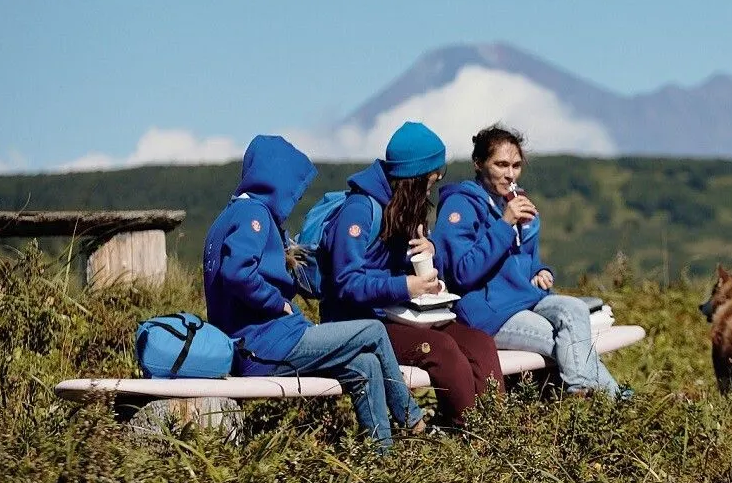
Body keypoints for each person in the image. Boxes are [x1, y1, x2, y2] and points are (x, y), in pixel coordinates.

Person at [203, 134, 424, 450]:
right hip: (265, 346)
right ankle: (412, 419)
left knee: (365, 366)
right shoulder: (253, 214)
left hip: (264, 342)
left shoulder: (230, 214)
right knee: (373, 330)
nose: (294, 196)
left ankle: (383, 461)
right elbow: (237, 273)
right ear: (277, 178)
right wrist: (276, 302)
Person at [320, 121, 504, 428]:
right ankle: (467, 439)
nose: (436, 179)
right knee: (443, 351)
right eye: (433, 174)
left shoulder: (407, 206)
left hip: (402, 314)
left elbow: (405, 271)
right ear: (414, 175)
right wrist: (404, 285)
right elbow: (345, 282)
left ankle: (498, 431)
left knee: (480, 343)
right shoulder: (360, 210)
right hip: (361, 323)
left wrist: (429, 258)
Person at [434, 124, 622, 397]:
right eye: (500, 164)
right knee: (564, 341)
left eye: (516, 166)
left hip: (527, 298)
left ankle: (587, 394)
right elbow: (462, 273)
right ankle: (606, 402)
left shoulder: (515, 201)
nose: (510, 174)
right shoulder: (460, 206)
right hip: (490, 313)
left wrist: (540, 270)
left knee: (575, 310)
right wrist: (504, 224)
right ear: (478, 163)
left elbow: (527, 259)